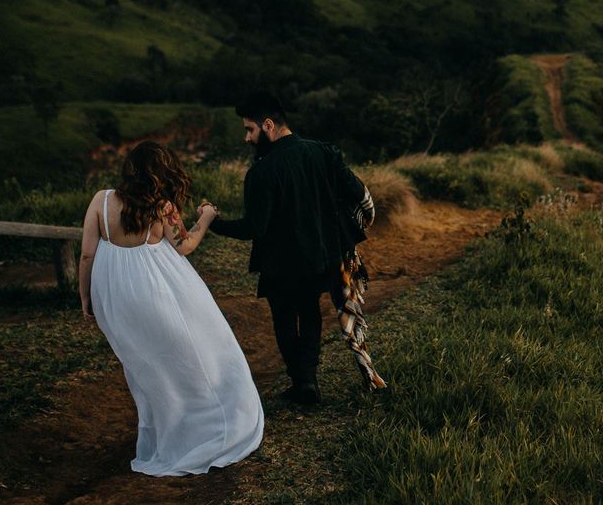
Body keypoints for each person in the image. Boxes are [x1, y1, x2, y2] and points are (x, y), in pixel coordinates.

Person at [78, 141, 264, 477]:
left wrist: (85, 296)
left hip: (115, 298)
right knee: (196, 355)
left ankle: (165, 432)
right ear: (162, 173)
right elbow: (185, 245)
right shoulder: (162, 207)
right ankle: (206, 428)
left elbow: (87, 255)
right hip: (155, 294)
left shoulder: (100, 200)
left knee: (147, 367)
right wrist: (207, 216)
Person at [208, 91, 378, 405]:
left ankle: (301, 382)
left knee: (285, 320)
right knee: (310, 311)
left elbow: (254, 228)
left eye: (249, 130)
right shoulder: (325, 152)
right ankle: (308, 381)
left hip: (280, 266)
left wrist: (214, 223)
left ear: (268, 125)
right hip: (322, 259)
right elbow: (356, 192)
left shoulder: (261, 172)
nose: (247, 138)